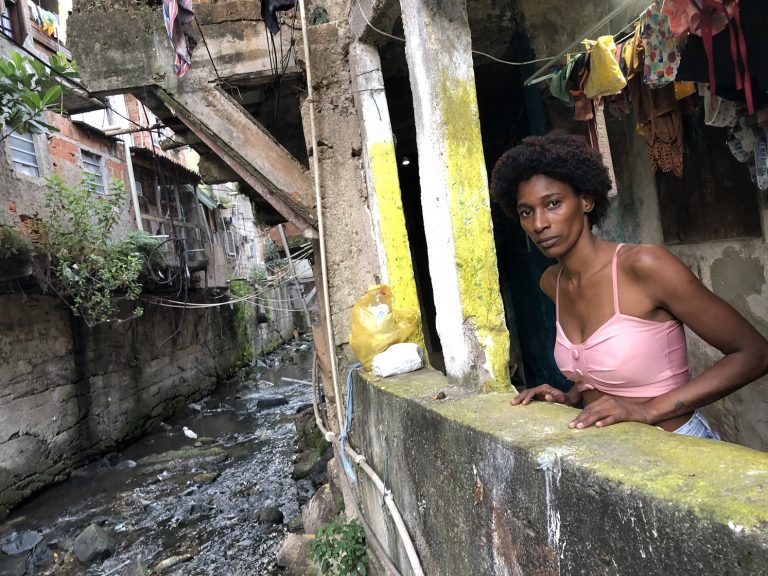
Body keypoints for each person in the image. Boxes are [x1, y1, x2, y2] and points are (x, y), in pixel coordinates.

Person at [490, 130, 768, 438]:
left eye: (553, 203)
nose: (539, 224)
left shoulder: (644, 267)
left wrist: (647, 411)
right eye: (526, 212)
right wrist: (569, 398)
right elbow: (603, 373)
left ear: (585, 200)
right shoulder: (552, 282)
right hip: (615, 456)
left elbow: (755, 353)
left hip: (677, 448)